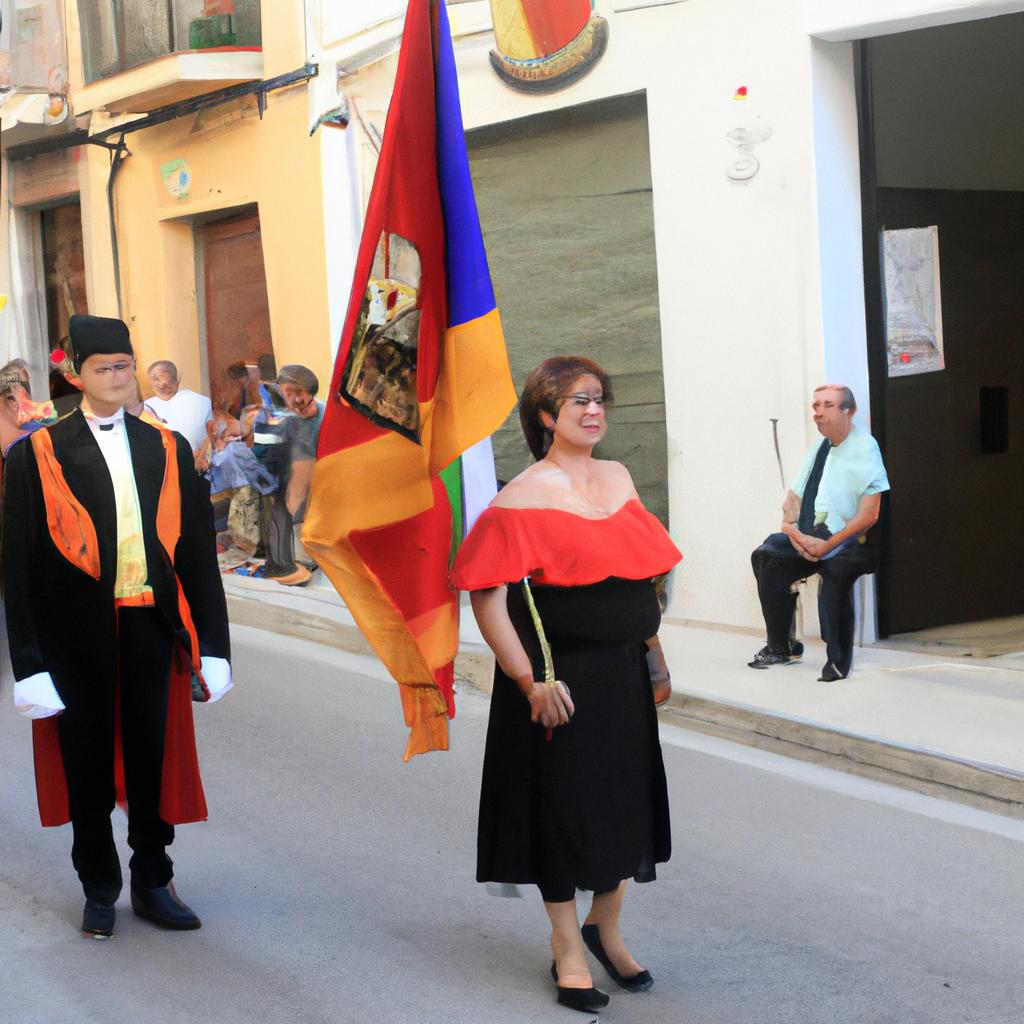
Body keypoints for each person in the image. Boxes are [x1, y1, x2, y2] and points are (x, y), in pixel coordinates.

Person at [450, 356, 680, 1014]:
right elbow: (488, 599)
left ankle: (603, 928)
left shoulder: (619, 476)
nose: (594, 409)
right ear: (546, 416)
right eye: (579, 400)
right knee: (563, 816)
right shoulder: (521, 495)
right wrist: (528, 681)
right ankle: (566, 948)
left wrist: (654, 650)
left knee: (624, 806)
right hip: (561, 683)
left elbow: (641, 575)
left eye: (600, 398)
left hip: (623, 673)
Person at [2, 314, 232, 939]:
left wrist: (214, 647)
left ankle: (154, 880)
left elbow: (195, 555)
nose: (118, 377)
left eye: (124, 367)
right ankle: (99, 886)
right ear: (75, 375)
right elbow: (16, 569)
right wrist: (29, 665)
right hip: (73, 637)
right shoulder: (36, 455)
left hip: (150, 628)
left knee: (152, 758)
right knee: (87, 764)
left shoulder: (166, 447)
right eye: (104, 368)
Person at [749, 384, 890, 682]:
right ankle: (781, 646)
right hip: (815, 536)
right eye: (815, 406)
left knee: (834, 572)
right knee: (765, 555)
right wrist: (794, 534)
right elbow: (793, 501)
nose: (818, 413)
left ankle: (838, 660)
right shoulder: (821, 447)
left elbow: (869, 517)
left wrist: (826, 547)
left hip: (855, 540)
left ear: (848, 411)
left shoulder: (864, 448)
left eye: (827, 405)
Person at [259, 364, 325, 587]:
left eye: (300, 393)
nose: (296, 399)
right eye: (289, 393)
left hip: (315, 499)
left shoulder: (321, 417)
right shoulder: (280, 415)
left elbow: (306, 468)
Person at [146, 359, 213, 453]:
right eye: (156, 381)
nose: (161, 386)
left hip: (193, 461)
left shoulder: (200, 401)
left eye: (166, 383)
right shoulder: (146, 407)